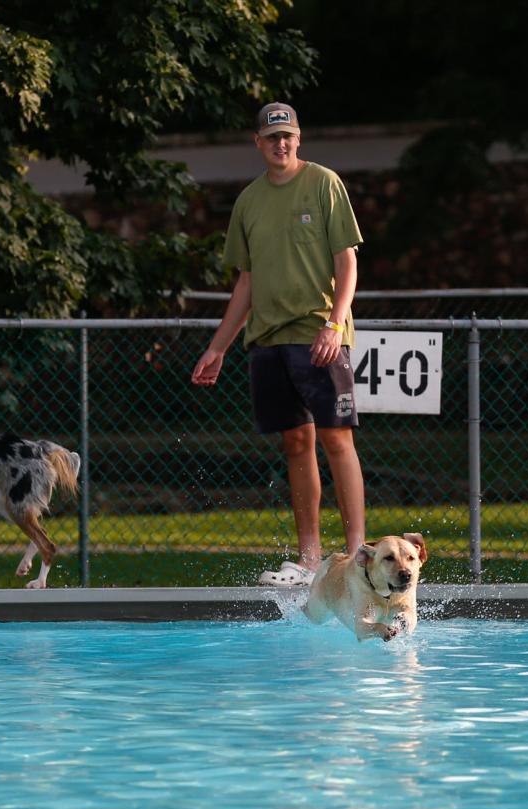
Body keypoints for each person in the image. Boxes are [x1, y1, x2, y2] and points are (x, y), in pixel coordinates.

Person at [191, 102, 365, 587]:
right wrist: (219, 346)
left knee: (336, 439)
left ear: (299, 138)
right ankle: (310, 562)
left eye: (287, 136)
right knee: (296, 442)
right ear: (259, 143)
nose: (281, 144)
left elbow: (347, 262)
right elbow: (246, 282)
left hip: (318, 335)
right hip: (267, 339)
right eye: (272, 138)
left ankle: (356, 558)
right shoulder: (248, 201)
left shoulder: (324, 183)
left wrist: (334, 324)